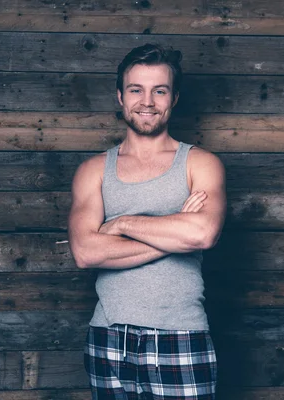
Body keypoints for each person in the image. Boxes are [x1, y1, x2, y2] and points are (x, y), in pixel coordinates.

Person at [68, 43, 227, 399]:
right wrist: (172, 232)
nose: (148, 101)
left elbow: (201, 235)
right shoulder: (93, 170)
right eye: (136, 90)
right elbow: (85, 252)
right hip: (108, 336)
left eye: (160, 90)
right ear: (120, 97)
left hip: (181, 334)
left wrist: (122, 223)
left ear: (174, 98)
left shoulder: (200, 164)